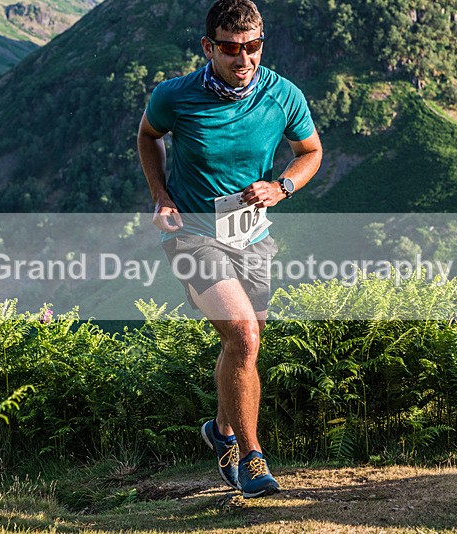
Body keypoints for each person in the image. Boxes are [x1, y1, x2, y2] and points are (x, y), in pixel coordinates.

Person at [137, 0, 322, 498]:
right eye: (231, 48)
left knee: (247, 340)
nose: (244, 59)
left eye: (253, 47)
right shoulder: (175, 96)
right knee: (243, 335)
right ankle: (250, 457)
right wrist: (160, 194)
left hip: (252, 235)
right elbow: (149, 136)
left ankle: (219, 430)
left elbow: (311, 152)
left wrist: (282, 186)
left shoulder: (283, 94)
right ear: (209, 47)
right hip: (192, 233)